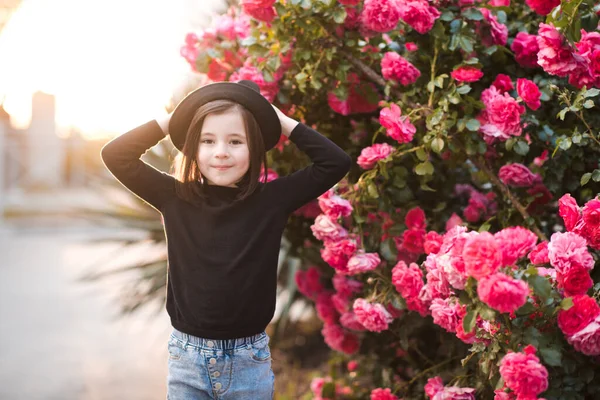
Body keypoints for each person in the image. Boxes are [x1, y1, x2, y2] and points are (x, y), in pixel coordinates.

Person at [100, 79, 352, 399]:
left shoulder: (272, 200)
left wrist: (280, 120)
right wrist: (175, 118)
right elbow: (116, 155)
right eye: (207, 141)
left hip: (249, 361)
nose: (220, 153)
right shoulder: (173, 196)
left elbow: (335, 162)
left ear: (255, 148)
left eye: (235, 141)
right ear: (192, 147)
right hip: (186, 360)